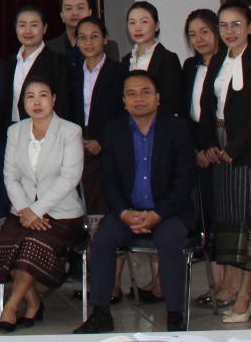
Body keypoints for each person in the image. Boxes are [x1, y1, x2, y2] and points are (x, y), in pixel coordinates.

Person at [75, 72, 198, 334]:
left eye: (145, 92)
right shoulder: (114, 129)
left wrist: (157, 214)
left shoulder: (177, 128)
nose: (138, 99)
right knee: (103, 237)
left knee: (168, 240)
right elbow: (109, 180)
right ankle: (100, 313)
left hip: (169, 212)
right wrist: (123, 212)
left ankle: (175, 316)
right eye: (131, 94)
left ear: (158, 98)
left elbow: (184, 181)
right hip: (128, 212)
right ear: (123, 101)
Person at [198, 2, 251, 323]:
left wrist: (236, 147)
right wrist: (208, 144)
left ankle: (248, 295)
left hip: (249, 153)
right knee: (231, 223)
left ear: (250, 27)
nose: (229, 32)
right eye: (224, 25)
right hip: (221, 151)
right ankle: (239, 290)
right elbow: (207, 105)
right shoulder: (219, 59)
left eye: (236, 25)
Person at [0, 79, 84, 332]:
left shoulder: (70, 131)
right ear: (22, 102)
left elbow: (70, 178)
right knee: (4, 244)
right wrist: (25, 210)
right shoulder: (16, 131)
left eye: (43, 95)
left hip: (61, 213)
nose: (36, 101)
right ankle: (33, 302)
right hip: (22, 211)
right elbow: (10, 175)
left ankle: (11, 306)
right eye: (30, 96)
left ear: (53, 99)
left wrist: (36, 210)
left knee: (32, 245)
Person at [180, 8, 226, 306]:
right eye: (193, 34)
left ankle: (227, 285)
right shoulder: (189, 67)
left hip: (224, 148)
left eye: (205, 32)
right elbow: (186, 113)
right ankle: (215, 283)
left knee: (225, 219)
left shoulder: (228, 62)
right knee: (207, 219)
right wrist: (197, 150)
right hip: (199, 150)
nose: (199, 39)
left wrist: (212, 146)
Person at [68, 17, 125, 229]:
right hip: (79, 140)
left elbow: (122, 114)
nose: (88, 42)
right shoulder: (72, 73)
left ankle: (101, 238)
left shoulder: (119, 72)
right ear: (75, 41)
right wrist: (77, 137)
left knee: (104, 195)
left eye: (94, 36)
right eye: (82, 38)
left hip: (108, 143)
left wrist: (101, 141)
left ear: (106, 39)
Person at [10, 6, 68, 121]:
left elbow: (62, 103)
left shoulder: (58, 62)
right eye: (22, 25)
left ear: (45, 28)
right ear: (16, 28)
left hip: (44, 126)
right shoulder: (9, 62)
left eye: (34, 25)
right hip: (12, 128)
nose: (27, 31)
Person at [125, 2, 182, 115]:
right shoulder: (126, 60)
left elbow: (173, 101)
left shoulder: (168, 59)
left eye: (144, 22)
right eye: (132, 23)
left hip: (160, 122)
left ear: (156, 26)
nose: (138, 28)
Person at [50, 0, 118, 74]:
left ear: (90, 12)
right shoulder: (50, 47)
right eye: (68, 8)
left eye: (80, 8)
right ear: (61, 16)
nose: (75, 13)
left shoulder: (109, 46)